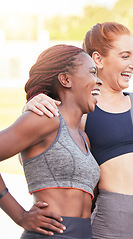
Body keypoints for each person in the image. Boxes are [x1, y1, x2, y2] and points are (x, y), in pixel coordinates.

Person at [24, 22, 133, 239]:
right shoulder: (81, 111)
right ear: (98, 59)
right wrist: (32, 104)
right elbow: (39, 156)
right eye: (125, 56)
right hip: (112, 224)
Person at [0, 44, 102, 238]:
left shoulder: (83, 137)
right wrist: (20, 216)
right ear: (65, 79)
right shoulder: (45, 119)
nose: (99, 81)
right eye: (92, 72)